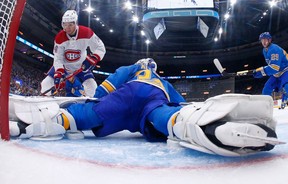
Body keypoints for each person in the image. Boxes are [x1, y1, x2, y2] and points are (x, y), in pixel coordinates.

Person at [9, 59, 283, 157]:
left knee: (88, 115)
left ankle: (39, 121)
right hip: (152, 101)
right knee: (168, 118)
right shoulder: (160, 79)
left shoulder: (134, 70)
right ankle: (202, 126)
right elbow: (178, 102)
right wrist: (185, 110)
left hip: (127, 97)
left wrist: (98, 97)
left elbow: (114, 79)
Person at [40, 10, 106, 97]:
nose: (67, 28)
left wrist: (93, 58)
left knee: (92, 87)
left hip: (81, 67)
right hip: (64, 66)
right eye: (65, 24)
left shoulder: (87, 33)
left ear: (76, 23)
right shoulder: (59, 38)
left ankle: (86, 107)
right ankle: (45, 107)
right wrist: (59, 72)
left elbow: (100, 48)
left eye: (70, 24)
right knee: (46, 83)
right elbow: (58, 58)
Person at [253, 32, 288, 108]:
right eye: (262, 40)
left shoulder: (274, 49)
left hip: (286, 70)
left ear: (270, 40)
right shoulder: (264, 50)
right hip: (277, 73)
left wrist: (262, 71)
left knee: (286, 87)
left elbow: (274, 68)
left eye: (265, 40)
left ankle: (286, 98)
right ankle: (265, 108)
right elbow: (273, 67)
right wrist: (261, 71)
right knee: (266, 89)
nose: (264, 42)